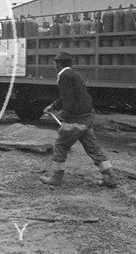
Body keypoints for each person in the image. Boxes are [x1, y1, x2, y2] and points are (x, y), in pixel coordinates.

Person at [40, 51, 117, 188]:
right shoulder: (74, 74)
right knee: (93, 149)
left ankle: (56, 177)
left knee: (61, 146)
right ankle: (109, 177)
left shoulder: (63, 76)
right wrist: (53, 106)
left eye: (55, 63)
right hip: (86, 118)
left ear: (58, 63)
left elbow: (68, 100)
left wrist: (62, 116)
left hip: (75, 120)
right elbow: (71, 96)